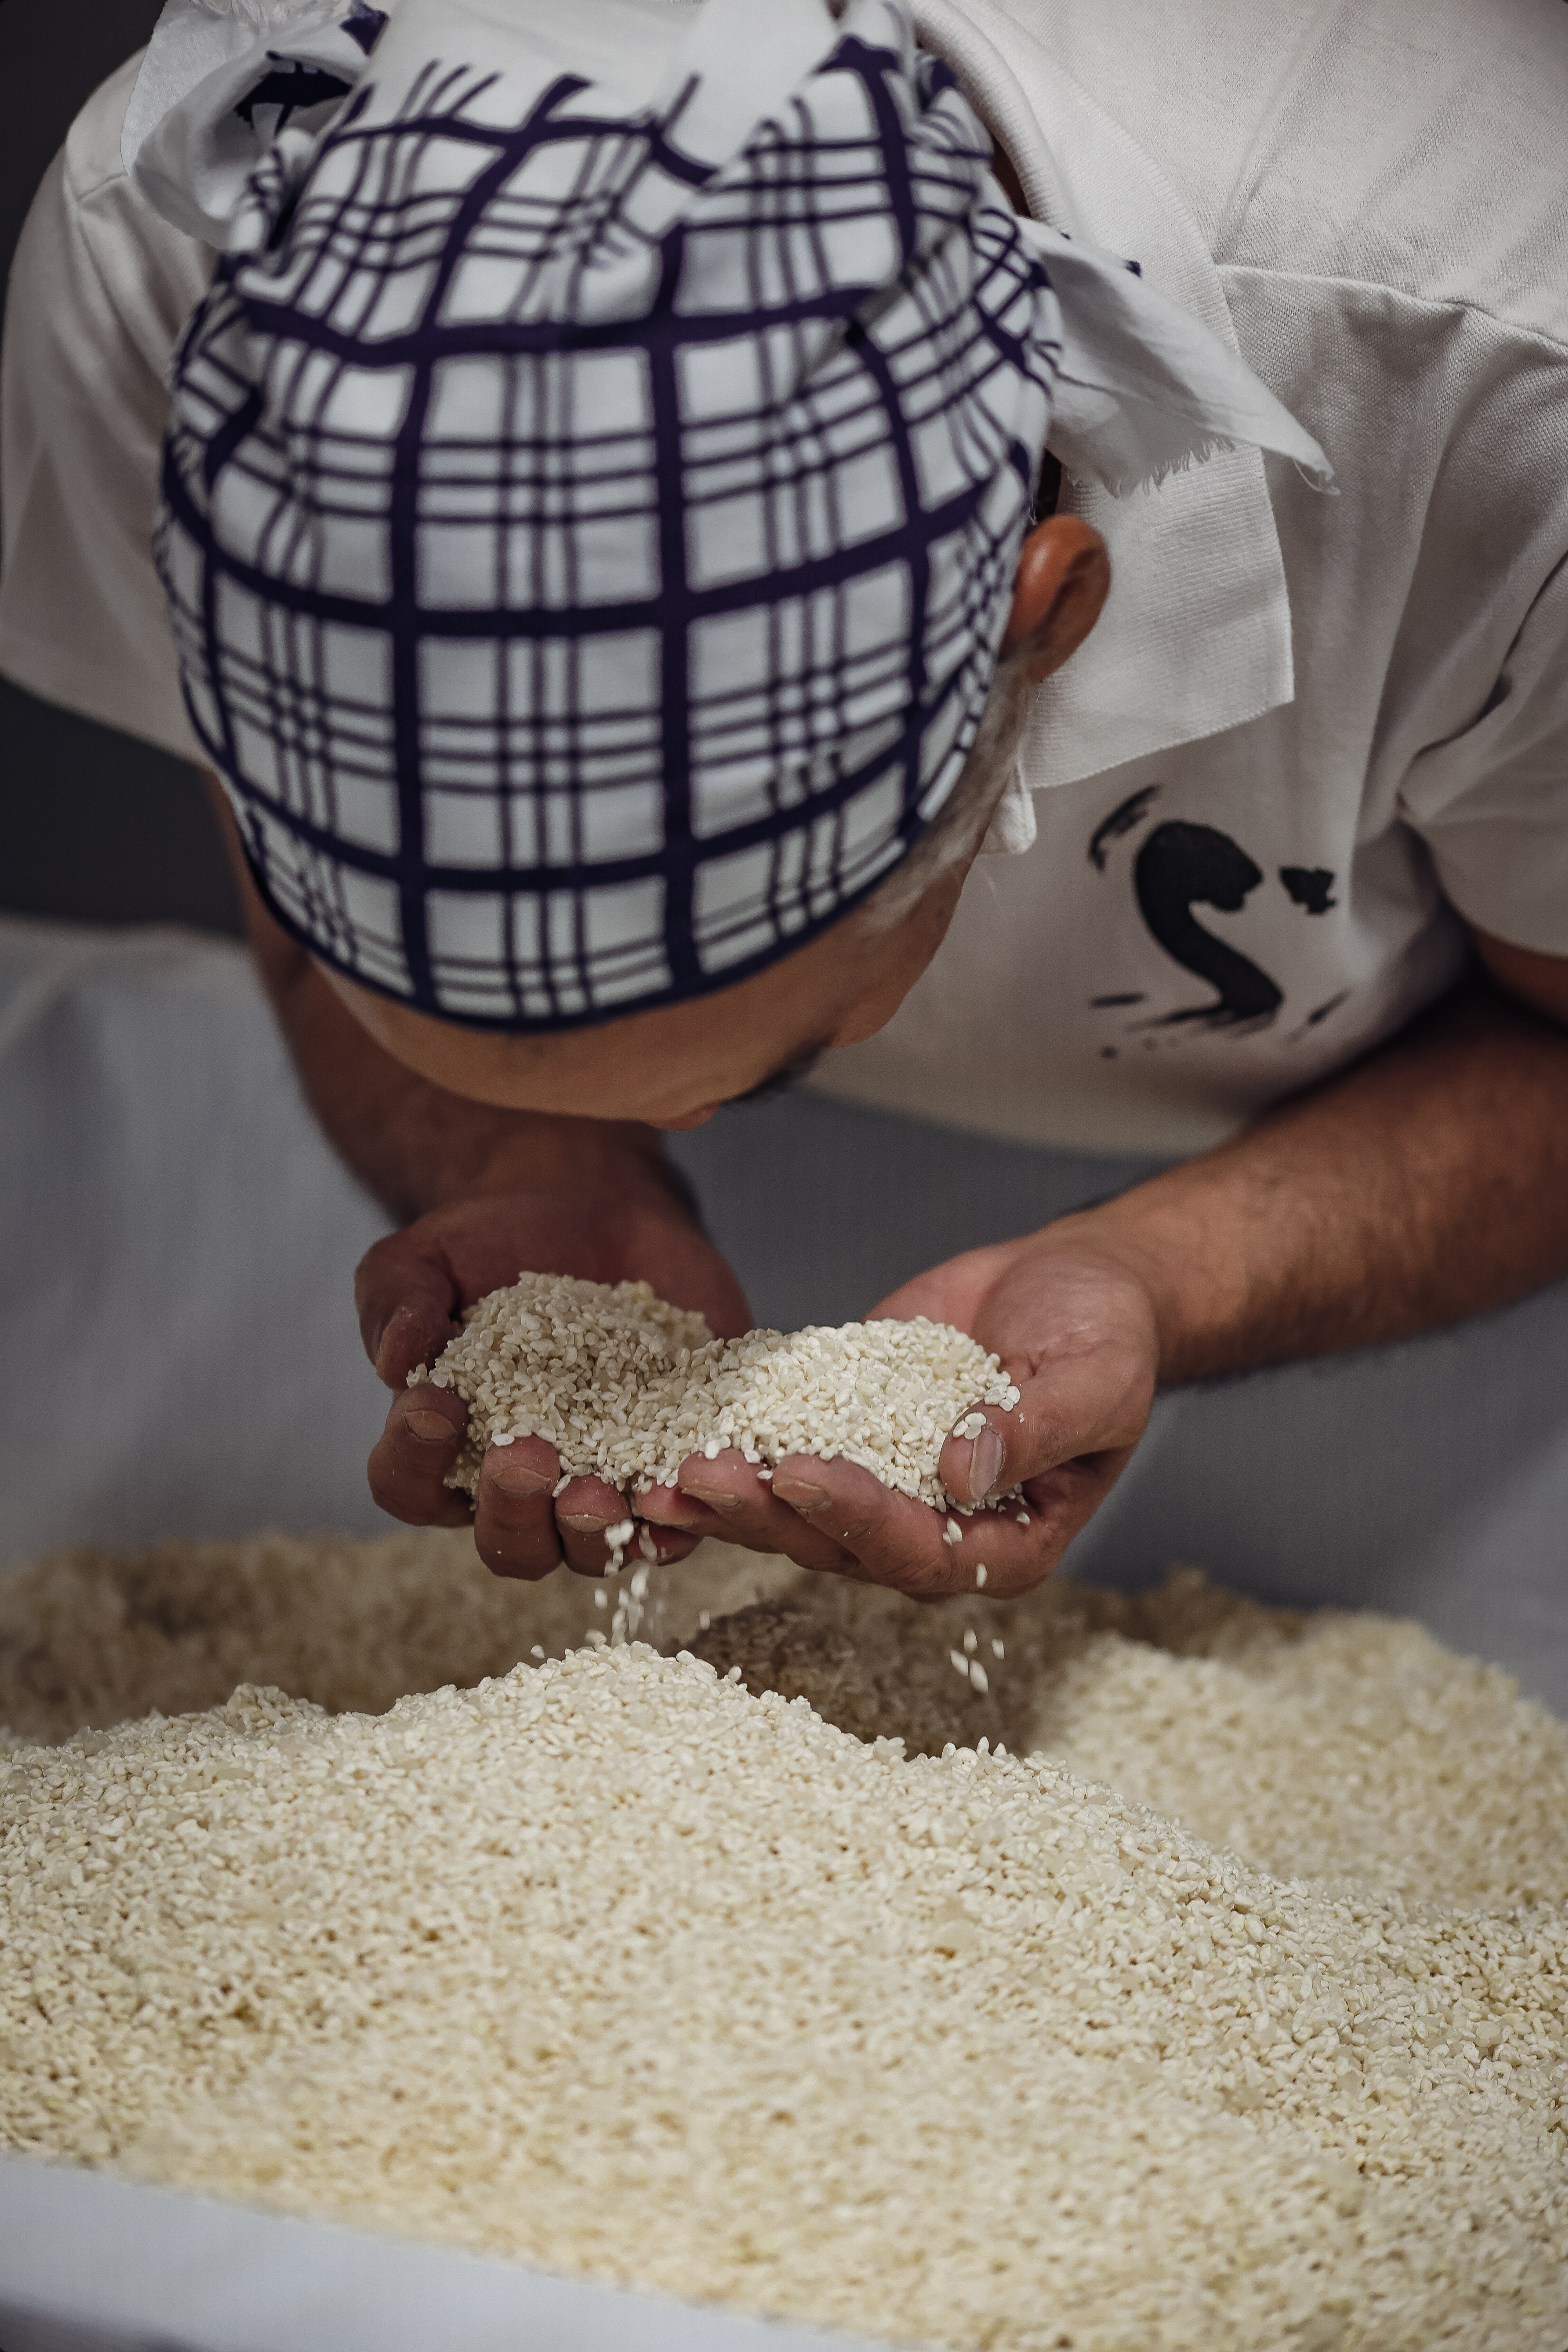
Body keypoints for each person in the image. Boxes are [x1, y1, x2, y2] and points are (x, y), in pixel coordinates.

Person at [3, 0, 1566, 1632]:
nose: (695, 1130)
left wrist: (1173, 1277)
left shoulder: (1501, 390)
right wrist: (519, 1153)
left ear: (1043, 625)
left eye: (762, 1063)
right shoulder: (193, 246)